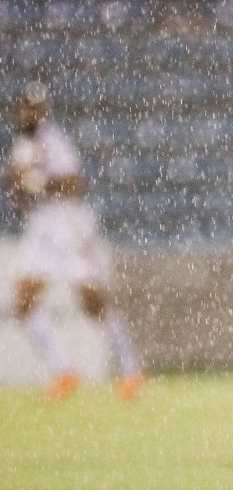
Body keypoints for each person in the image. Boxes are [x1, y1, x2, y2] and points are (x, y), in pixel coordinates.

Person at [6, 82, 145, 402]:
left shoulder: (53, 140)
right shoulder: (23, 144)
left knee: (91, 299)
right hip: (41, 225)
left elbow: (74, 182)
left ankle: (130, 370)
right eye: (24, 107)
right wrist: (19, 184)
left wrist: (39, 182)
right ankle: (63, 371)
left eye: (33, 108)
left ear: (42, 111)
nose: (27, 113)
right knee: (24, 301)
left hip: (64, 222)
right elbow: (18, 187)